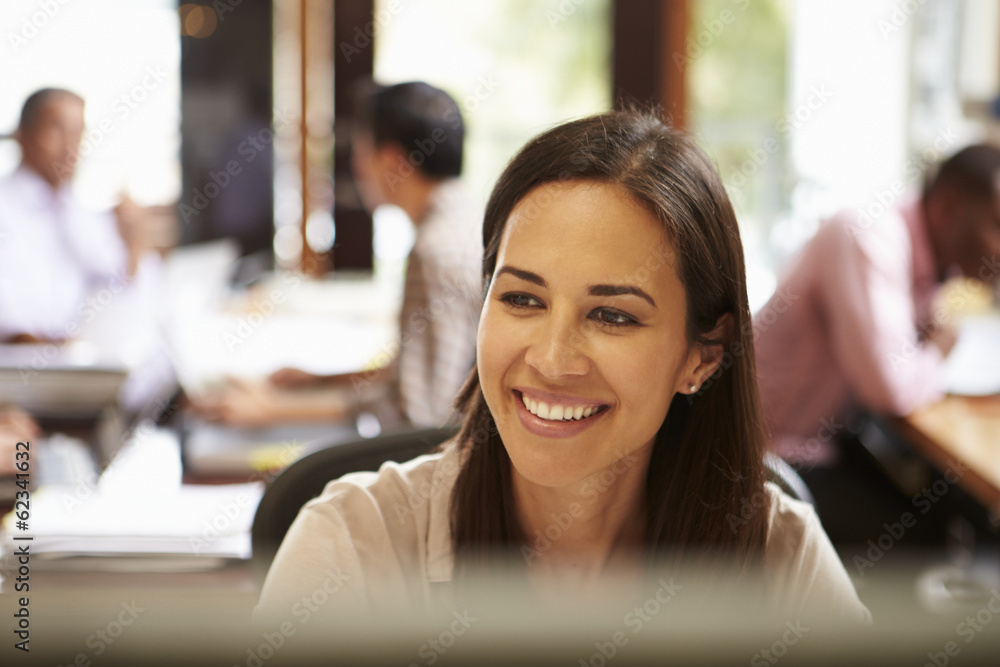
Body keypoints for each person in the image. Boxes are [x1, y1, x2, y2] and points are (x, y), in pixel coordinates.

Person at [254, 110, 870, 624]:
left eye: (614, 316)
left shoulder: (781, 560)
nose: (551, 359)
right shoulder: (355, 548)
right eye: (522, 299)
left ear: (703, 355)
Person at [193, 81, 482, 429]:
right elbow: (416, 377)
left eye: (360, 150)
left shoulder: (436, 250)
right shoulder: (464, 221)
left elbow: (415, 414)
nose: (355, 166)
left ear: (390, 161)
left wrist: (273, 410)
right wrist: (320, 379)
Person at [753, 144, 1000, 544]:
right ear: (948, 208)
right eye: (997, 224)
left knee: (956, 508)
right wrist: (938, 348)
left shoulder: (927, 260)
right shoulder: (867, 236)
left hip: (828, 438)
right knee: (925, 540)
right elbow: (890, 389)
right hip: (771, 457)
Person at [0, 88, 157, 344]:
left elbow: (119, 281)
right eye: (57, 129)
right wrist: (44, 347)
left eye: (78, 133)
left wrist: (133, 243)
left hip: (73, 363)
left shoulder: (79, 212)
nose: (70, 146)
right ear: (22, 136)